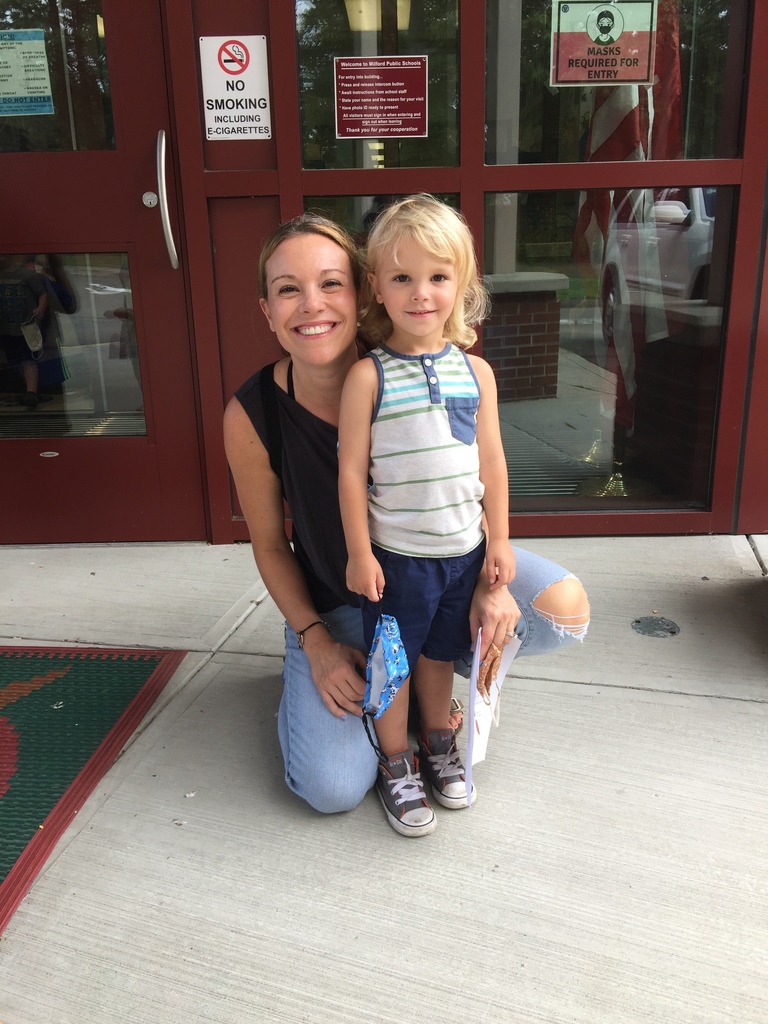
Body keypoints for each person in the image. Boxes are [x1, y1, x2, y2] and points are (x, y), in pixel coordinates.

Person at [222, 210, 590, 830]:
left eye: (331, 283)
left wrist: (489, 583)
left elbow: (479, 467)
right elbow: (269, 546)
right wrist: (316, 643)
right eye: (289, 288)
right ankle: (332, 692)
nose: (312, 304)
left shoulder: (416, 360)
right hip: (338, 600)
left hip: (446, 560)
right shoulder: (254, 413)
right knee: (333, 788)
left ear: (363, 289)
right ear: (267, 309)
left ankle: (432, 675)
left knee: (561, 608)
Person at [338, 195, 515, 837]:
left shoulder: (477, 372)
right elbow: (351, 473)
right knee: (394, 660)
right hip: (397, 560)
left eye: (438, 277)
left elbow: (490, 463)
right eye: (402, 277)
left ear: (461, 287)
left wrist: (499, 541)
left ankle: (439, 741)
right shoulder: (369, 378)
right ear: (377, 290)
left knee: (440, 655)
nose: (421, 293)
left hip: (462, 554)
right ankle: (394, 760)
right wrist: (360, 551)